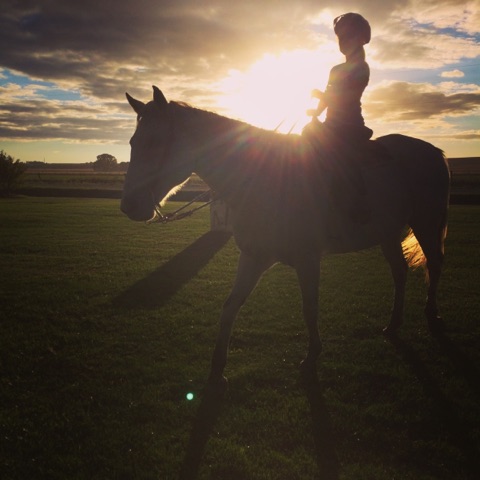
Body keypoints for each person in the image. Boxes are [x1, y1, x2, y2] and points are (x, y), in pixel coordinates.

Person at [304, 13, 374, 223]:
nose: (343, 42)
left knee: (340, 158)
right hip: (331, 125)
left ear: (362, 38)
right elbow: (329, 97)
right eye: (340, 37)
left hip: (349, 126)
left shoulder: (362, 68)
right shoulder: (335, 69)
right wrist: (316, 112)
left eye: (348, 36)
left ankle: (354, 206)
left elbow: (346, 98)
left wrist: (320, 96)